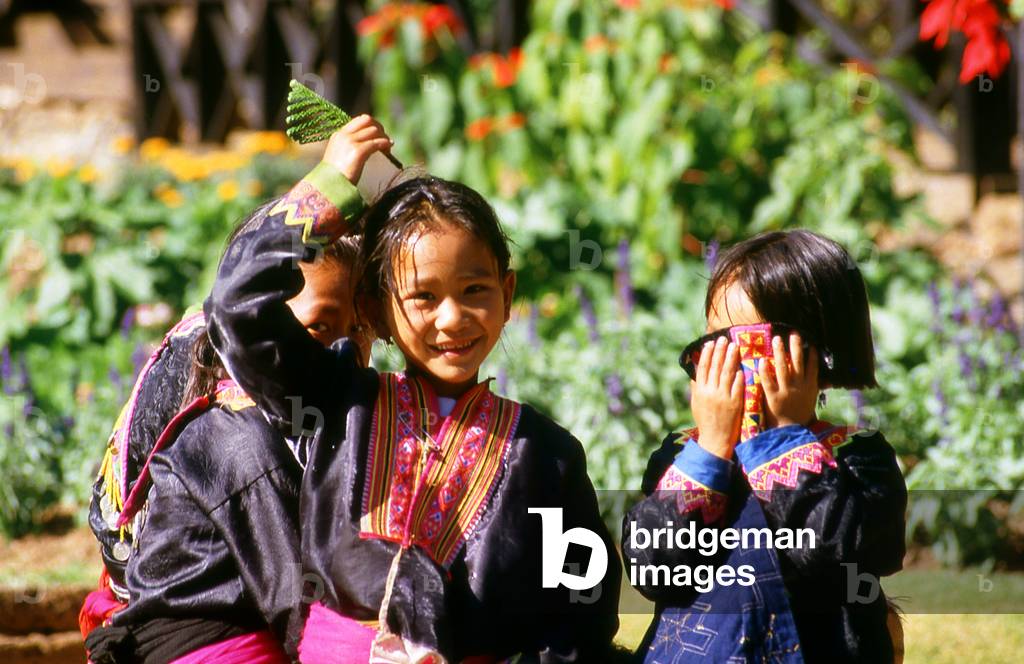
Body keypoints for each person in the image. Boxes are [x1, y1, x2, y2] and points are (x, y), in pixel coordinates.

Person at [203, 115, 621, 662]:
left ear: (508, 292)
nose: (453, 318)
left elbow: (580, 613)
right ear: (374, 309)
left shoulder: (546, 456)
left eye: (475, 289)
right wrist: (329, 186)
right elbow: (237, 306)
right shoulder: (337, 404)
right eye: (423, 297)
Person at [83, 223, 368, 663]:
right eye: (321, 327)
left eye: (361, 326)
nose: (347, 350)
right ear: (256, 329)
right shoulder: (241, 441)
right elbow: (300, 610)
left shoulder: (294, 419)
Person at [622, 230, 907, 663]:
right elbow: (651, 568)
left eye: (750, 345)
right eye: (714, 343)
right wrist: (711, 451)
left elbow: (840, 555)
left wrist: (781, 441)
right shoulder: (682, 453)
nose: (728, 363)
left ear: (821, 354)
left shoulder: (856, 455)